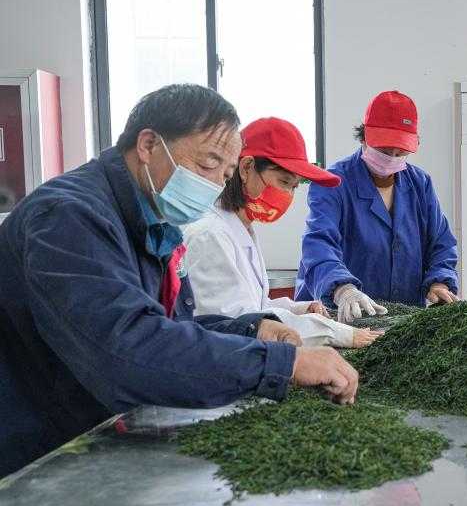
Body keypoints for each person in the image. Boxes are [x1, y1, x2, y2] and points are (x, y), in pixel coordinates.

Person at [0, 84, 358, 477]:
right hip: (31, 458)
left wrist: (250, 329)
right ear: (149, 145)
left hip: (84, 440)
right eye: (207, 164)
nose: (213, 185)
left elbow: (170, 327)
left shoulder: (154, 221)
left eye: (224, 174)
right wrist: (280, 364)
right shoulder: (69, 217)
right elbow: (128, 349)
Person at [183, 117, 380, 348]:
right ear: (246, 168)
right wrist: (338, 333)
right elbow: (238, 323)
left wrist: (300, 308)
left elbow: (256, 306)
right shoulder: (210, 235)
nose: (287, 195)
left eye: (294, 187)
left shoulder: (241, 228)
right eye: (284, 182)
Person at [296, 90, 458, 322]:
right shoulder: (333, 183)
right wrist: (342, 289)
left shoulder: (420, 184)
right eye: (384, 150)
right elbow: (318, 244)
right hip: (341, 315)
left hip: (404, 318)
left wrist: (440, 281)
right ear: (364, 138)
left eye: (400, 152)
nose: (391, 158)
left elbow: (441, 243)